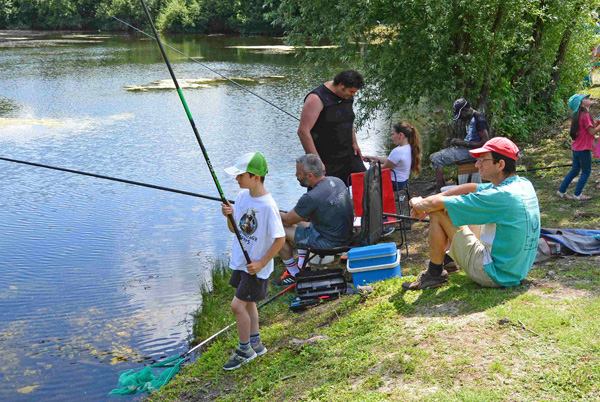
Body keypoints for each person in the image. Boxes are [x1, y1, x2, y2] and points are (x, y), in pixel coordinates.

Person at [403, 137, 540, 291]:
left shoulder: (500, 196)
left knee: (439, 212)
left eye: (483, 160)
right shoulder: (522, 184)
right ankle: (449, 260)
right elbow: (471, 187)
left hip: (494, 274)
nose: (477, 164)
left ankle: (435, 273)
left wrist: (417, 202)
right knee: (463, 210)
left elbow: (437, 205)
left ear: (500, 164)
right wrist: (430, 199)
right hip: (515, 271)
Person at [220, 152, 285, 370]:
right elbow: (235, 230)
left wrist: (262, 263)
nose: (236, 179)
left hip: (255, 268)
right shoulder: (241, 198)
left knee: (237, 306)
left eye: (240, 175)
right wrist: (229, 216)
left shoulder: (268, 205)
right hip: (241, 262)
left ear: (255, 177)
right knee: (248, 304)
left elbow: (280, 238)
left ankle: (244, 350)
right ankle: (256, 344)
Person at [275, 154, 354, 285]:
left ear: (310, 176)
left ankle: (293, 272)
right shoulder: (337, 181)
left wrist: (272, 211)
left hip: (329, 242)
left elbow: (287, 221)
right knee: (299, 221)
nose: (296, 175)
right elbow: (297, 217)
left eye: (298, 173)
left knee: (276, 228)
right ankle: (303, 265)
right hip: (345, 235)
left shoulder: (310, 197)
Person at [297, 69, 366, 184]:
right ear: (341, 85)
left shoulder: (347, 96)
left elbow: (348, 119)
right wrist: (317, 162)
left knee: (366, 181)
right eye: (351, 91)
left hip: (348, 153)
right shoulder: (316, 98)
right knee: (328, 195)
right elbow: (303, 132)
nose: (353, 95)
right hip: (326, 158)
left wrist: (355, 143)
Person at [430, 98, 490, 192]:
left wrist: (463, 143)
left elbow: (485, 142)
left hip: (473, 152)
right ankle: (440, 184)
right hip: (468, 149)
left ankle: (440, 189)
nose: (461, 118)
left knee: (437, 158)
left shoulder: (479, 119)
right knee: (433, 156)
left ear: (466, 110)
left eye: (461, 115)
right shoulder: (472, 118)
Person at [556, 94, 600, 200]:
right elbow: (591, 132)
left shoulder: (578, 115)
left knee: (575, 170)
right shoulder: (585, 115)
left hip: (576, 148)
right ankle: (577, 195)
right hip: (583, 149)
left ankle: (561, 191)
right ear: (581, 104)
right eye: (586, 98)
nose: (589, 99)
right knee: (586, 171)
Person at [362, 121, 422, 190]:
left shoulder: (398, 151)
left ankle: (372, 199)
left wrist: (373, 163)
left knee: (367, 176)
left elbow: (384, 167)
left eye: (393, 134)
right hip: (403, 181)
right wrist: (372, 157)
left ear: (400, 135)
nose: (392, 137)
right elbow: (389, 161)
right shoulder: (408, 147)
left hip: (394, 183)